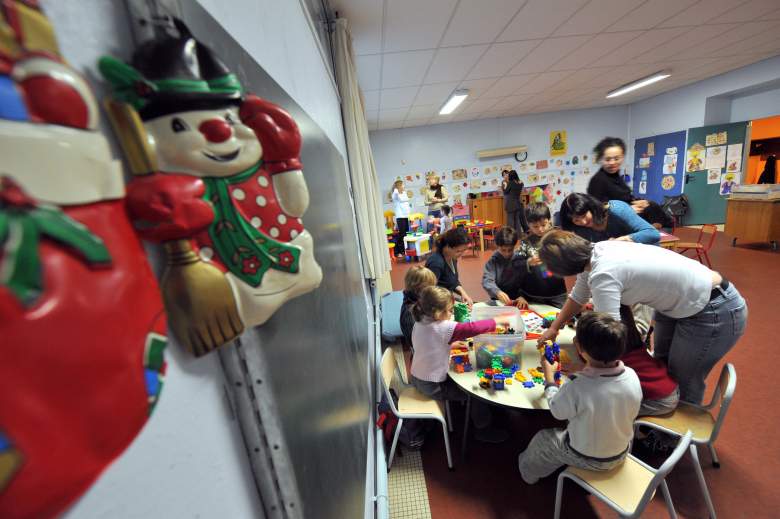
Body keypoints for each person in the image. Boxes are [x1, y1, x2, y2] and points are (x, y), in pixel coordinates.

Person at [536, 230, 748, 404]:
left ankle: (673, 440)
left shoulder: (603, 274)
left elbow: (610, 338)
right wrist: (555, 328)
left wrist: (586, 371)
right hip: (680, 304)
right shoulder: (595, 252)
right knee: (663, 366)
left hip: (713, 309)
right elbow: (578, 297)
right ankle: (661, 417)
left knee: (684, 380)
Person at [517, 312, 641, 484]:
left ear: (578, 346)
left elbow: (557, 411)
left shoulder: (577, 385)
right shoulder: (632, 375)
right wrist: (583, 369)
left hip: (587, 457)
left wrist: (549, 379)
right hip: (621, 452)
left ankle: (527, 474)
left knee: (543, 439)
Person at [411, 285, 510, 443]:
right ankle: (483, 429)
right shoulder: (443, 327)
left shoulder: (420, 320)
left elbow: (429, 344)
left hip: (417, 377)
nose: (451, 314)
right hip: (432, 386)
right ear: (437, 313)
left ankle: (473, 414)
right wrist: (497, 321)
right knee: (479, 393)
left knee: (467, 379)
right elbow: (472, 328)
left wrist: (448, 345)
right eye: (450, 311)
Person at [588, 137, 671, 228]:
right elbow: (597, 209)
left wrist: (638, 201)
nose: (612, 162)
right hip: (614, 221)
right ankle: (653, 231)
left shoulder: (616, 176)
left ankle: (657, 231)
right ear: (601, 159)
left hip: (628, 214)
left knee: (652, 206)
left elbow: (624, 197)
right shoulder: (598, 180)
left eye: (616, 158)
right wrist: (627, 210)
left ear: (622, 157)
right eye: (608, 159)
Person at [619, 305, 679, 416]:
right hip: (667, 389)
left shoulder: (614, 356)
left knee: (609, 409)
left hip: (660, 400)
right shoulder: (630, 341)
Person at [516, 203, 568, 308]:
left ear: (549, 220)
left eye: (544, 225)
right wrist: (528, 262)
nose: (540, 229)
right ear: (528, 225)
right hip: (530, 295)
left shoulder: (558, 238)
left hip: (557, 294)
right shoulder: (526, 242)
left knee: (562, 319)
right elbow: (516, 264)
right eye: (535, 226)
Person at [559, 193, 660, 244]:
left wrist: (622, 240)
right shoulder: (579, 229)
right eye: (576, 220)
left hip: (645, 256)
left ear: (591, 207)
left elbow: (653, 234)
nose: (583, 222)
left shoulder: (617, 209)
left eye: (584, 215)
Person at [425, 228, 474, 308]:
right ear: (447, 246)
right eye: (458, 251)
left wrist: (463, 293)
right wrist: (453, 304)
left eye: (464, 250)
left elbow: (452, 280)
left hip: (445, 301)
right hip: (435, 305)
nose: (461, 254)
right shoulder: (436, 262)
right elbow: (429, 292)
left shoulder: (452, 257)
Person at [400, 266, 437, 348]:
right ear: (417, 288)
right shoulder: (410, 313)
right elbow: (418, 343)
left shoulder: (419, 299)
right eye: (430, 286)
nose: (433, 289)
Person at [391, 179, 410, 257]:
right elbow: (399, 198)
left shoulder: (404, 193)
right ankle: (397, 251)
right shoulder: (395, 194)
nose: (404, 186)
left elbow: (405, 199)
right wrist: (396, 190)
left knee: (406, 233)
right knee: (401, 234)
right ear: (398, 186)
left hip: (405, 216)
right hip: (400, 216)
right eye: (402, 185)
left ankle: (404, 250)